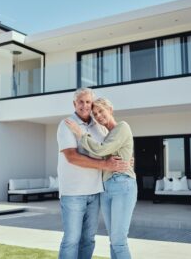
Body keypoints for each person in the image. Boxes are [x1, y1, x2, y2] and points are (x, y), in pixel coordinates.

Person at [57, 88, 130, 259]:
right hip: (73, 193)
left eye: (88, 102)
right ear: (74, 103)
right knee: (71, 240)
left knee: (89, 240)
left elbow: (111, 149)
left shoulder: (99, 127)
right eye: (80, 102)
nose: (85, 106)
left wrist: (126, 161)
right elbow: (72, 157)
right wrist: (105, 164)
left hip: (96, 192)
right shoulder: (67, 124)